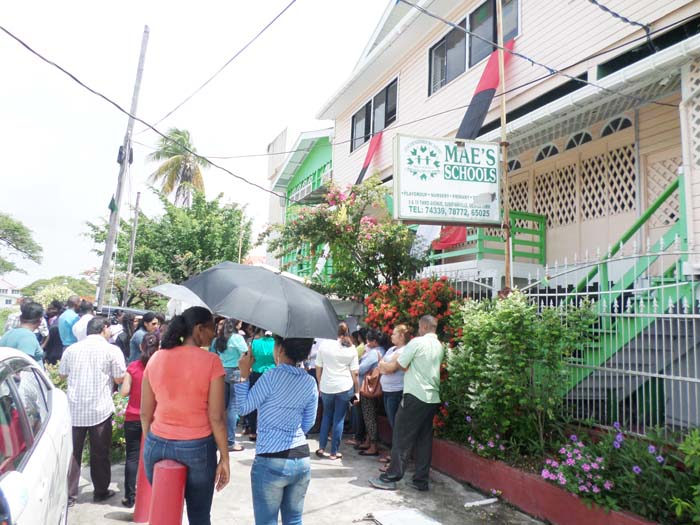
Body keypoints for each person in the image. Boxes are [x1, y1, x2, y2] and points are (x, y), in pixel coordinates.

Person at [141, 307, 229, 525]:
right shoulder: (211, 362)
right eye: (212, 329)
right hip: (197, 448)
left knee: (165, 514)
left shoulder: (157, 358)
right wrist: (225, 458)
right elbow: (216, 417)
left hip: (156, 446)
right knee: (199, 517)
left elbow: (145, 412)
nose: (214, 334)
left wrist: (152, 438)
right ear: (199, 329)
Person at [236, 337, 318, 525]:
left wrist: (243, 375)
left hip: (270, 459)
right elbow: (309, 422)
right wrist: (291, 431)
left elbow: (243, 408)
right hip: (301, 458)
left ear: (280, 349)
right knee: (294, 520)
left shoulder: (271, 376)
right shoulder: (309, 382)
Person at [369, 315, 444, 492]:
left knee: (401, 436)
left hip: (415, 395)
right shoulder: (439, 346)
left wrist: (381, 365)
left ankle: (391, 477)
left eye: (419, 327)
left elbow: (398, 366)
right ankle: (420, 481)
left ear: (424, 327)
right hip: (431, 397)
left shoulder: (417, 343)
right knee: (424, 440)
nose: (418, 330)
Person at [59, 316, 126, 505]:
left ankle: (69, 495)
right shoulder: (112, 350)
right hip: (100, 409)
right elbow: (120, 378)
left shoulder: (72, 349)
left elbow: (62, 375)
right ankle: (101, 491)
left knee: (73, 454)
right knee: (100, 453)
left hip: (74, 408)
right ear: (104, 328)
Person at [120, 332, 159, 508]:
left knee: (132, 457)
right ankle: (151, 495)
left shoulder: (133, 367)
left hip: (133, 417)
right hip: (155, 419)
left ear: (141, 347)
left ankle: (130, 496)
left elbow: (124, 392)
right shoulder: (160, 367)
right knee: (154, 458)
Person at [315, 322, 359, 460]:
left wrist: (320, 384)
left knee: (326, 416)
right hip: (344, 386)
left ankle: (321, 447)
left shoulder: (324, 346)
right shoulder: (351, 348)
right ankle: (334, 452)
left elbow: (318, 368)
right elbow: (355, 373)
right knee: (338, 419)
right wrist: (357, 391)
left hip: (327, 386)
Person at [377, 324, 411, 471]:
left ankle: (397, 461)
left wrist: (384, 365)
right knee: (393, 425)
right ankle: (395, 456)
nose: (391, 336)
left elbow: (390, 369)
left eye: (394, 334)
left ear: (402, 336)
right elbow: (381, 366)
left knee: (396, 426)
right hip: (387, 390)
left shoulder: (404, 351)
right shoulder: (392, 350)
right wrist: (385, 365)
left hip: (396, 390)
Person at [210, 318, 246, 452]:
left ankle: (215, 438)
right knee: (232, 408)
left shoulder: (217, 339)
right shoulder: (237, 338)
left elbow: (212, 355)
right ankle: (230, 441)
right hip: (234, 372)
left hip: (220, 372)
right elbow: (245, 353)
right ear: (236, 325)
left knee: (220, 407)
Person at [356, 329, 387, 457]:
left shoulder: (374, 353)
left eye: (369, 340)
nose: (367, 342)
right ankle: (369, 440)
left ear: (374, 341)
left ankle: (373, 445)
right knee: (370, 415)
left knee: (368, 416)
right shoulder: (383, 351)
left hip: (367, 389)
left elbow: (361, 369)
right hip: (374, 389)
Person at [248, 329, 276, 440]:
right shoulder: (275, 343)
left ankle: (252, 431)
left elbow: (250, 358)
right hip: (271, 373)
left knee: (254, 402)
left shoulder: (254, 342)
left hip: (256, 372)